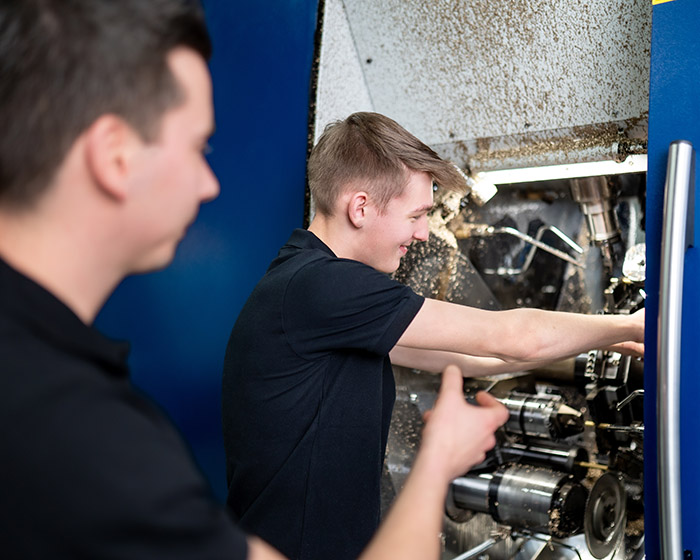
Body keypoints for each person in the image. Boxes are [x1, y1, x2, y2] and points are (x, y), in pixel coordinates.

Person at [0, 2, 508, 559]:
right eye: (199, 149)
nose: (208, 184)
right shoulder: (82, 436)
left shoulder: (39, 374)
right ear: (114, 157)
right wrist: (437, 461)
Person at [221, 111, 646, 560]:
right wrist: (630, 325)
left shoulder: (316, 291)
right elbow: (509, 337)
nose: (424, 234)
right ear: (360, 207)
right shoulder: (320, 286)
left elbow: (479, 359)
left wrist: (596, 340)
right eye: (417, 214)